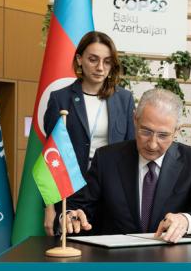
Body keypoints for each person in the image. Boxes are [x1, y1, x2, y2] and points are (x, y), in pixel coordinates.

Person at [64, 89, 191, 242]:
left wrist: (186, 220)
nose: (152, 145)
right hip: (115, 260)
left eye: (163, 135)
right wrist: (71, 215)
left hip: (169, 261)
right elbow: (78, 207)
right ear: (135, 120)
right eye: (146, 132)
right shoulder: (106, 158)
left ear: (176, 131)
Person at [43, 31, 135, 235]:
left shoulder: (124, 99)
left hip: (114, 193)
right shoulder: (60, 99)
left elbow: (131, 149)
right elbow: (51, 155)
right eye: (93, 59)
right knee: (74, 253)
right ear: (79, 59)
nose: (100, 67)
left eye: (107, 61)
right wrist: (49, 207)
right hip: (73, 192)